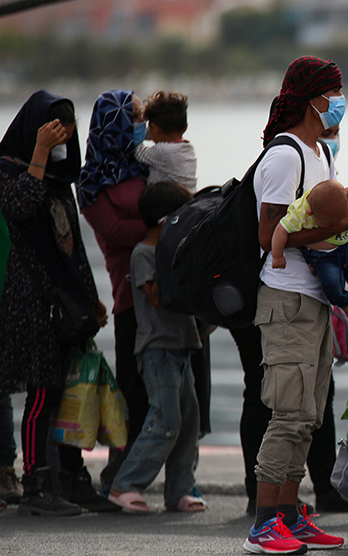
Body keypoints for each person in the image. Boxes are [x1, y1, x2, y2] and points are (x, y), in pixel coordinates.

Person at [243, 56, 348, 555]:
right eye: (336, 93)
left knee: (310, 415)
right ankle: (264, 524)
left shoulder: (321, 151)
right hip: (285, 300)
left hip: (315, 300)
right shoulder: (285, 156)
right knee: (287, 412)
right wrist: (330, 229)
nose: (342, 103)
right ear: (313, 100)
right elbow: (269, 235)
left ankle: (290, 515)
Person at [0, 91, 109, 516]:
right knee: (41, 393)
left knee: (66, 391)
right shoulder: (10, 170)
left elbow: (73, 246)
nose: (63, 145)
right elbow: (19, 206)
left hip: (65, 300)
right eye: (53, 134)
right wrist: (39, 155)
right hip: (29, 299)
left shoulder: (62, 182)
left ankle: (70, 476)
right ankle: (36, 484)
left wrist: (91, 298)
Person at [107, 181, 205, 514]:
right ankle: (125, 484)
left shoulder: (172, 253)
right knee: (166, 419)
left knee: (188, 420)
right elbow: (156, 297)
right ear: (167, 221)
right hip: (157, 348)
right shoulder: (144, 253)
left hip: (182, 346)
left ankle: (179, 490)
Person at [76, 89, 150, 503]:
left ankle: (173, 476)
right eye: (134, 119)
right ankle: (119, 474)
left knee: (178, 390)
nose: (139, 127)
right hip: (128, 293)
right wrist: (161, 225)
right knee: (131, 390)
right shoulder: (91, 182)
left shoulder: (145, 163)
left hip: (165, 288)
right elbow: (116, 233)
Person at [270, 178, 348, 317]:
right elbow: (280, 230)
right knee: (332, 283)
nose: (335, 225)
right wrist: (277, 255)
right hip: (322, 256)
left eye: (338, 220)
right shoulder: (299, 213)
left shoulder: (342, 196)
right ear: (311, 213)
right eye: (329, 223)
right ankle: (344, 303)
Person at [134, 90, 197, 193]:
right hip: (189, 200)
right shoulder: (188, 148)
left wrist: (136, 129)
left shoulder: (162, 151)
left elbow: (137, 152)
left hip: (169, 203)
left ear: (153, 127)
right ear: (185, 127)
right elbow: (158, 133)